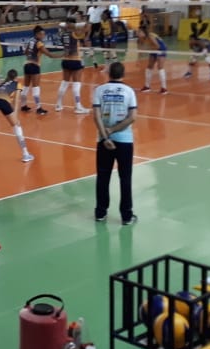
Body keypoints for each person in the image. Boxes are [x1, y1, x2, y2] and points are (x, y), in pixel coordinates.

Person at [92, 62, 138, 225]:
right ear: (123, 74)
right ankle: (126, 216)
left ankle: (100, 213)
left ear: (109, 73)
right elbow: (132, 117)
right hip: (125, 140)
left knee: (103, 177)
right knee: (125, 178)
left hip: (103, 141)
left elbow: (96, 116)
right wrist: (114, 130)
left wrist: (105, 136)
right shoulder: (129, 91)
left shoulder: (99, 90)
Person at [19, 25, 60, 115]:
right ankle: (38, 108)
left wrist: (31, 54)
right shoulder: (39, 43)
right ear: (37, 34)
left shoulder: (30, 40)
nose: (43, 36)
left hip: (26, 64)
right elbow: (49, 55)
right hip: (34, 66)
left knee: (26, 87)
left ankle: (23, 105)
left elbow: (25, 52)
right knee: (35, 87)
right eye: (42, 34)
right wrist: (63, 55)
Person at [55, 18, 90, 114]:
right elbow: (87, 26)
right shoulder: (75, 33)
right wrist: (79, 24)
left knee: (64, 83)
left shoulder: (62, 34)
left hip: (65, 60)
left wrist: (66, 25)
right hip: (75, 60)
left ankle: (58, 104)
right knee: (76, 84)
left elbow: (59, 25)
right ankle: (78, 107)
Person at [136, 28, 168, 94]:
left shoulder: (150, 36)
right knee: (149, 66)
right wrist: (138, 59)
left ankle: (164, 88)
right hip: (152, 49)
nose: (138, 33)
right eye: (137, 32)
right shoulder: (139, 40)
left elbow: (157, 46)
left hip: (161, 48)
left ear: (144, 32)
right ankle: (147, 86)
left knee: (160, 67)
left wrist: (147, 49)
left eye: (139, 31)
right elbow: (140, 50)